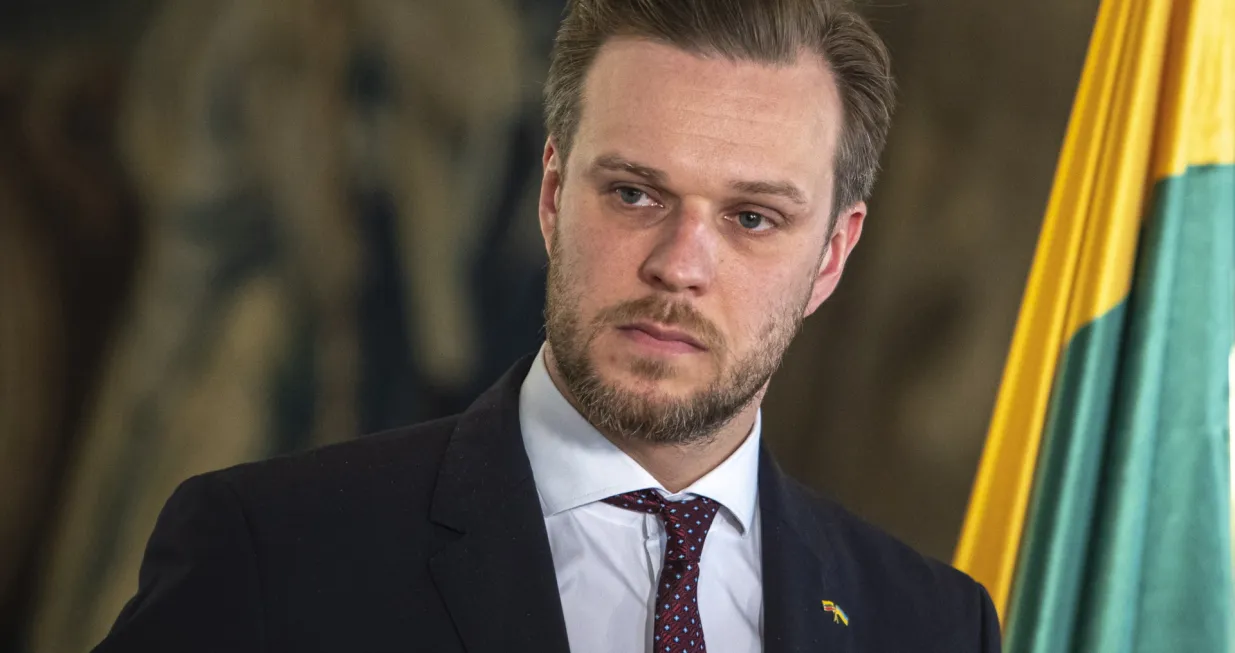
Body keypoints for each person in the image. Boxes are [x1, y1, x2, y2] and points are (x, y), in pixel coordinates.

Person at [93, 0, 1001, 651]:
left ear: (832, 255)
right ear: (555, 196)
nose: (679, 264)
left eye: (751, 218)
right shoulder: (273, 548)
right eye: (635, 193)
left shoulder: (930, 624)